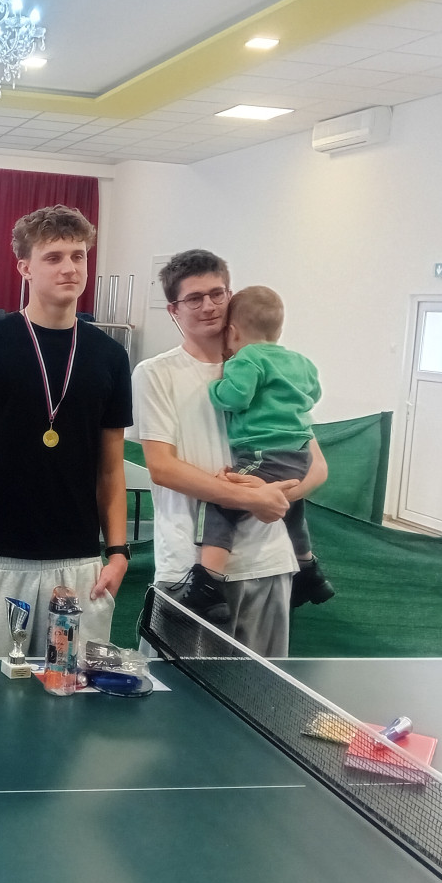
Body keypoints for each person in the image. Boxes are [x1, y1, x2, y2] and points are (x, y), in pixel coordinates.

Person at [0, 205, 134, 658]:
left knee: (69, 696)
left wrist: (118, 552)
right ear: (24, 267)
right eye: (54, 257)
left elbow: (111, 468)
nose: (70, 268)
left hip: (79, 567)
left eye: (79, 256)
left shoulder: (109, 356)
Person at [131, 250, 327, 657]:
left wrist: (276, 497)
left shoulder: (272, 370)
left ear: (230, 295)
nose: (208, 306)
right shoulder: (156, 373)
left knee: (261, 691)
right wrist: (250, 497)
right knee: (176, 692)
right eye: (194, 298)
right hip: (190, 570)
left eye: (217, 294)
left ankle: (308, 568)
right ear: (173, 310)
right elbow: (163, 468)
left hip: (268, 564)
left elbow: (317, 466)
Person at [179, 285, 334, 621]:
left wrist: (214, 386)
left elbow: (236, 397)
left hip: (263, 453)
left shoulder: (247, 359)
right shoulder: (301, 362)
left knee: (220, 499)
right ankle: (309, 571)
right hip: (298, 454)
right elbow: (314, 394)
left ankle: (208, 583)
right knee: (291, 507)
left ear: (233, 332)